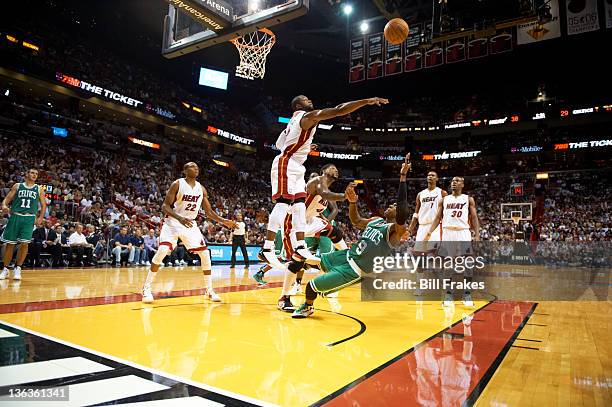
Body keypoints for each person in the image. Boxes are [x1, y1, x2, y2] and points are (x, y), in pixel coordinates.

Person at [260, 95, 389, 270]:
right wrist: (365, 102)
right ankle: (267, 248)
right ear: (298, 105)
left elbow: (279, 143)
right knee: (283, 204)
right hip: (287, 163)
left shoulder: (291, 123)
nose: (309, 100)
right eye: (305, 99)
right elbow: (339, 109)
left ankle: (300, 246)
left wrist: (304, 147)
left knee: (299, 205)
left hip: (297, 165)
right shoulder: (307, 116)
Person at [291, 154, 411, 318]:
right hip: (347, 255)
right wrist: (353, 203)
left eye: (395, 206)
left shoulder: (395, 232)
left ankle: (308, 306)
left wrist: (403, 177)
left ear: (400, 214)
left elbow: (402, 208)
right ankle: (319, 283)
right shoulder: (376, 220)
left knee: (311, 286)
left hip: (356, 269)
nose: (391, 205)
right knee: (317, 264)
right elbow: (356, 221)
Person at [141, 162, 236, 303]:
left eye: (197, 167)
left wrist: (223, 221)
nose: (196, 168)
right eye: (192, 166)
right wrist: (180, 218)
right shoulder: (177, 184)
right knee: (162, 250)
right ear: (185, 170)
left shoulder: (201, 189)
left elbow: (208, 212)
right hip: (172, 222)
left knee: (204, 254)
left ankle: (209, 290)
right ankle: (146, 288)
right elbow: (165, 206)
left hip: (190, 223)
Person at [277, 164, 349, 311]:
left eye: (337, 168)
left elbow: (324, 205)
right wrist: (344, 196)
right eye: (332, 168)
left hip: (309, 221)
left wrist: (324, 220)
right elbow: (325, 194)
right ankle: (284, 298)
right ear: (323, 171)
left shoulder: (327, 190)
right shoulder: (317, 181)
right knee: (297, 259)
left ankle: (348, 257)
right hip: (294, 222)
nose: (335, 170)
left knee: (333, 231)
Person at [425, 176, 480, 306]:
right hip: (448, 232)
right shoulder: (444, 200)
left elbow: (474, 217)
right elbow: (438, 217)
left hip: (463, 232)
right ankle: (448, 295)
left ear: (463, 184)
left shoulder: (468, 199)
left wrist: (477, 234)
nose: (454, 182)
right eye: (453, 181)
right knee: (448, 265)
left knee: (467, 264)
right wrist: (429, 232)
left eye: (457, 181)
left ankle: (467, 295)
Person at [1, 168, 46, 280]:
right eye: (32, 173)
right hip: (15, 216)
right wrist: (4, 206)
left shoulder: (39, 189)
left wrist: (40, 217)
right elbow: (6, 199)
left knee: (24, 244)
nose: (34, 175)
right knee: (10, 244)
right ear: (27, 174)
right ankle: (5, 269)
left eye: (36, 174)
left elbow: (44, 205)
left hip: (29, 218)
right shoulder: (17, 186)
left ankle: (18, 268)